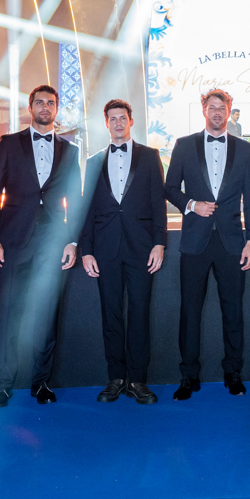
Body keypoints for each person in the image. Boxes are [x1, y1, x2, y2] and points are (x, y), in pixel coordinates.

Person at [0, 85, 82, 408]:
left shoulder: (70, 150)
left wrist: (72, 240)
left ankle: (41, 383)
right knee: (8, 312)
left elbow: (75, 199)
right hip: (12, 239)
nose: (45, 107)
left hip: (53, 240)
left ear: (56, 109)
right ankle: (3, 384)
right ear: (30, 107)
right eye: (39, 102)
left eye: (50, 103)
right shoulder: (9, 144)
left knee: (47, 313)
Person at [164, 89, 250, 400]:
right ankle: (188, 376)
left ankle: (234, 373)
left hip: (232, 242)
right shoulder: (184, 145)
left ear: (230, 110)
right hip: (194, 241)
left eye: (222, 108)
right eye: (212, 107)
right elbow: (169, 188)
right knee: (190, 312)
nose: (217, 112)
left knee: (234, 312)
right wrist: (192, 204)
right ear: (204, 109)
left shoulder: (245, 149)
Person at [80, 100, 167, 405]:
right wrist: (86, 250)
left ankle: (138, 380)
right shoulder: (93, 161)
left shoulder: (150, 156)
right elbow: (87, 208)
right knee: (111, 314)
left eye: (122, 118)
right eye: (112, 119)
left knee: (140, 313)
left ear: (131, 121)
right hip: (105, 248)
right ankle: (116, 378)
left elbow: (158, 203)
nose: (118, 123)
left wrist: (159, 243)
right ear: (106, 123)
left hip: (142, 247)